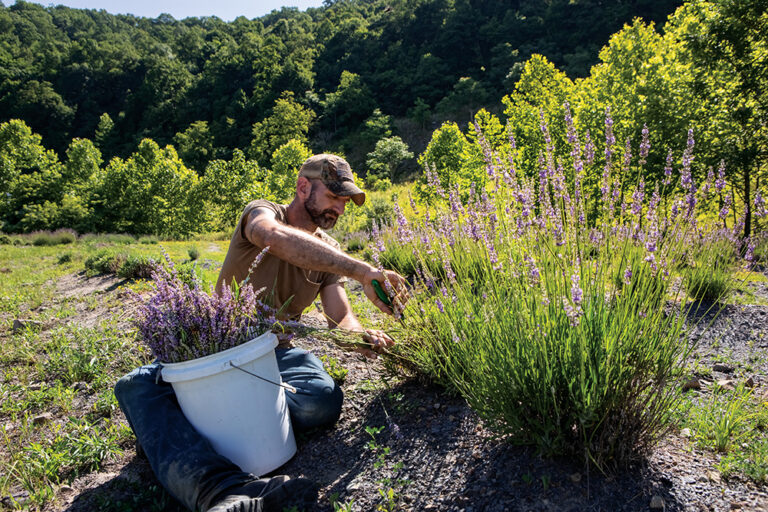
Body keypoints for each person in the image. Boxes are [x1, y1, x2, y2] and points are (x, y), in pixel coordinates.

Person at [115, 154, 407, 512]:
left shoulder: (330, 252)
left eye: (345, 201)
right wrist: (362, 270)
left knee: (321, 401)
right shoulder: (262, 213)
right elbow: (273, 237)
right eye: (333, 197)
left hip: (273, 355)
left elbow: (339, 314)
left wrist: (361, 336)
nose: (340, 209)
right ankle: (220, 492)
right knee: (135, 387)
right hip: (215, 349)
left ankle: (191, 422)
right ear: (303, 188)